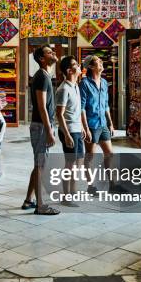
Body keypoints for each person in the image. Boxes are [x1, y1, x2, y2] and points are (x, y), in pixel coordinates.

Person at [22, 44, 60, 215]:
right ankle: (41, 206)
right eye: (49, 52)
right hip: (41, 126)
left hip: (42, 125)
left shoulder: (44, 75)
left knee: (38, 164)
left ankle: (29, 200)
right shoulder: (42, 77)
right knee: (40, 165)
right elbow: (41, 106)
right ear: (41, 58)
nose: (53, 53)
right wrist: (49, 130)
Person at [79, 54, 114, 192]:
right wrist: (85, 128)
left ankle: (112, 184)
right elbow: (81, 108)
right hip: (91, 125)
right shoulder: (84, 84)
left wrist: (110, 123)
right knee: (90, 156)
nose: (101, 62)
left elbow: (106, 105)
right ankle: (90, 185)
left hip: (103, 123)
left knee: (110, 154)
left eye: (100, 60)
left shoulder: (104, 83)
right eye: (98, 61)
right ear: (91, 67)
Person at [56, 56, 85, 207]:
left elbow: (77, 110)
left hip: (76, 129)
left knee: (78, 161)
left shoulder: (76, 86)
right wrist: (67, 134)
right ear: (69, 70)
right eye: (75, 64)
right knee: (70, 164)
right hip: (68, 131)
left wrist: (81, 126)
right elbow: (59, 114)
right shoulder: (64, 89)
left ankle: (73, 192)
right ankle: (66, 197)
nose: (79, 66)